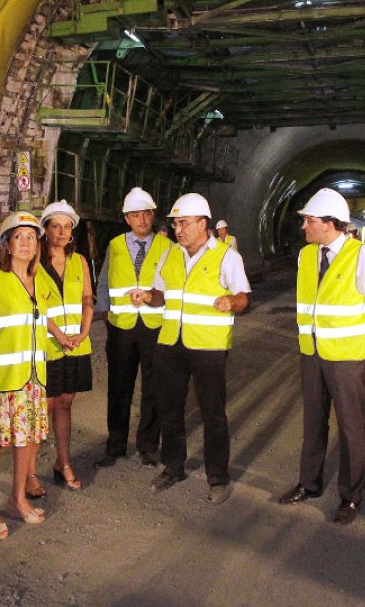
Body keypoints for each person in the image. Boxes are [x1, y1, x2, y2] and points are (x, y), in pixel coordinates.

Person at [128, 192, 251, 504]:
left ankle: (218, 478)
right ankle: (173, 467)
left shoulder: (226, 257)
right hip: (171, 343)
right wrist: (147, 296)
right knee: (169, 408)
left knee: (213, 413)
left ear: (202, 224)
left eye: (183, 223)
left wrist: (231, 302)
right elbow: (161, 294)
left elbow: (244, 297)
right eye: (175, 223)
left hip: (208, 346)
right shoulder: (171, 255)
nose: (178, 229)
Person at [278, 188, 365, 525]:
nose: (304, 227)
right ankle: (309, 483)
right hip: (312, 353)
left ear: (329, 224)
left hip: (346, 356)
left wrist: (353, 343)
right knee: (313, 421)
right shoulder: (306, 256)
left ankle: (351, 496)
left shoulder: (363, 256)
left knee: (351, 426)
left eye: (309, 221)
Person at [0, 212, 69, 535]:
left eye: (30, 237)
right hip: (0, 382)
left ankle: (17, 497)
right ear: (7, 245)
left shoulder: (38, 282)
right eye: (18, 237)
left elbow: (42, 318)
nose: (25, 243)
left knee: (27, 440)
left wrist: (60, 336)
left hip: (32, 379)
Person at [93, 187, 171, 467]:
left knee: (154, 387)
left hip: (154, 325)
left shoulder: (167, 247)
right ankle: (115, 446)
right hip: (122, 327)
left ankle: (148, 446)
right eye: (135, 214)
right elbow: (104, 280)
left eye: (146, 213)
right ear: (127, 218)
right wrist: (103, 312)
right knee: (119, 387)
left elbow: (173, 285)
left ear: (152, 215)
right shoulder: (114, 246)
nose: (141, 219)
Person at [27, 200, 94, 495]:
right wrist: (58, 334)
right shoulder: (34, 264)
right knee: (46, 407)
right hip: (48, 346)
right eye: (56, 226)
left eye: (67, 227)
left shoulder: (79, 261)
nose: (62, 232)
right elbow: (36, 305)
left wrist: (83, 332)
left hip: (76, 346)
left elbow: (87, 300)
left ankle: (62, 462)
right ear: (46, 230)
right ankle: (28, 473)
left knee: (66, 403)